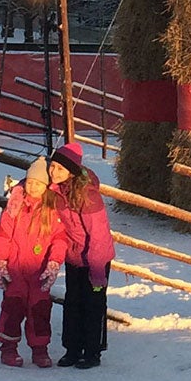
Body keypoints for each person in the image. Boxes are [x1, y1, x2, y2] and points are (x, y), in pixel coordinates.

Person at [0, 157, 67, 368]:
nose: (33, 187)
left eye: (38, 183)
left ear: (46, 186)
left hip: (39, 272)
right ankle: (8, 348)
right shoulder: (15, 206)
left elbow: (59, 238)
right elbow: (3, 234)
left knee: (39, 310)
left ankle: (40, 349)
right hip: (15, 269)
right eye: (30, 182)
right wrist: (0, 261)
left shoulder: (51, 210)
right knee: (12, 308)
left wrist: (54, 261)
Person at [53, 141, 114, 368]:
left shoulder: (88, 196)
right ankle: (72, 349)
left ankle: (92, 351)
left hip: (96, 259)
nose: (53, 172)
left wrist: (97, 270)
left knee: (93, 303)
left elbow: (98, 235)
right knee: (72, 302)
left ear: (71, 171)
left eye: (59, 168)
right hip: (74, 257)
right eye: (52, 167)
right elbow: (32, 182)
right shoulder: (57, 191)